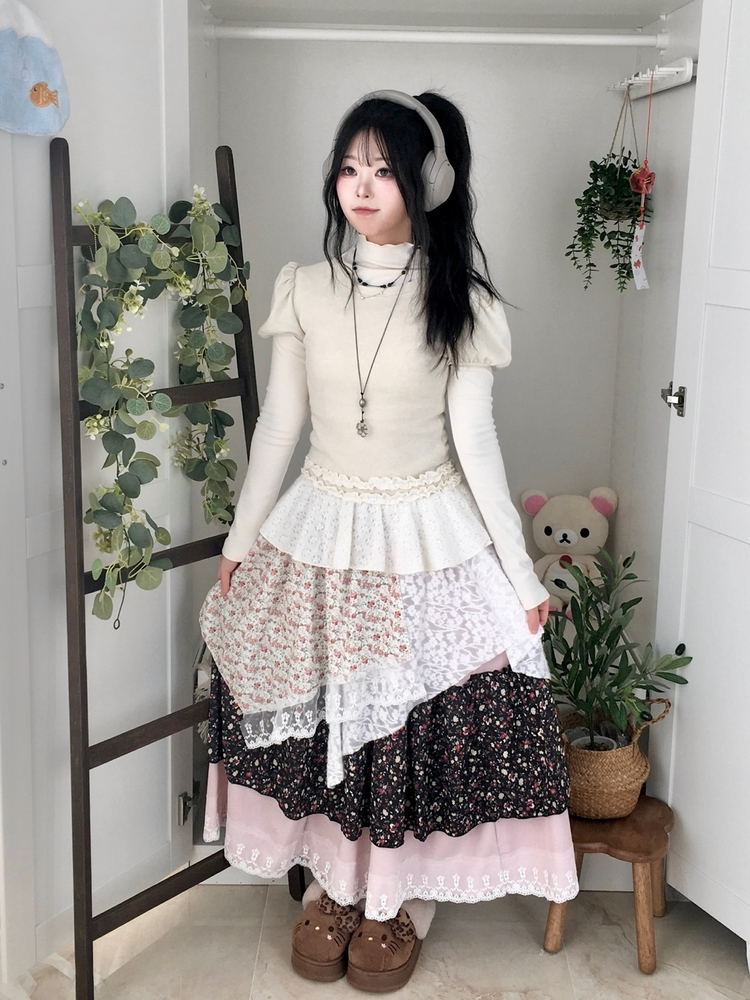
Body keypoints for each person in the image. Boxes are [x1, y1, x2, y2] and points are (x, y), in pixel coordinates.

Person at [199, 90, 578, 993]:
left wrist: (520, 574)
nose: (361, 187)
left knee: (411, 725)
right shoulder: (304, 286)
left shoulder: (460, 298)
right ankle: (332, 886)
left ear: (426, 182)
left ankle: (395, 898)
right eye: (349, 167)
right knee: (333, 717)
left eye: (383, 169)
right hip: (321, 529)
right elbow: (280, 427)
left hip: (425, 534)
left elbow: (477, 446)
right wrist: (240, 542)